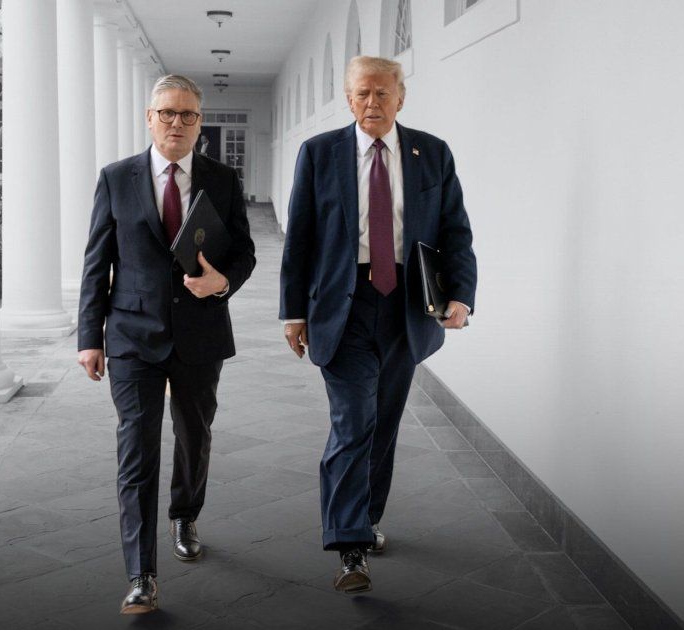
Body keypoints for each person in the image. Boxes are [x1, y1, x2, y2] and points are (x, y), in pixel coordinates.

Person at [279, 56, 476, 594]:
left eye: (382, 94)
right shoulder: (319, 154)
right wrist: (293, 311)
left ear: (400, 98)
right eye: (362, 93)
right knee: (353, 419)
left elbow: (456, 230)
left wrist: (461, 294)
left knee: (383, 422)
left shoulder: (431, 153)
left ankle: (366, 519)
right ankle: (349, 546)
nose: (372, 103)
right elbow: (299, 239)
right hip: (343, 304)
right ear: (347, 98)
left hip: (406, 305)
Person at [77, 74, 255, 614]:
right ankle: (141, 574)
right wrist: (90, 337)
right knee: (136, 451)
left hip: (200, 334)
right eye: (168, 113)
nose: (177, 123)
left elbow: (245, 250)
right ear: (149, 117)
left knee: (194, 436)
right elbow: (96, 263)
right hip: (131, 336)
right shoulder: (116, 178)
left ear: (200, 123)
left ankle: (185, 515)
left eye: (188, 115)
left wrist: (220, 282)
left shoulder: (223, 179)